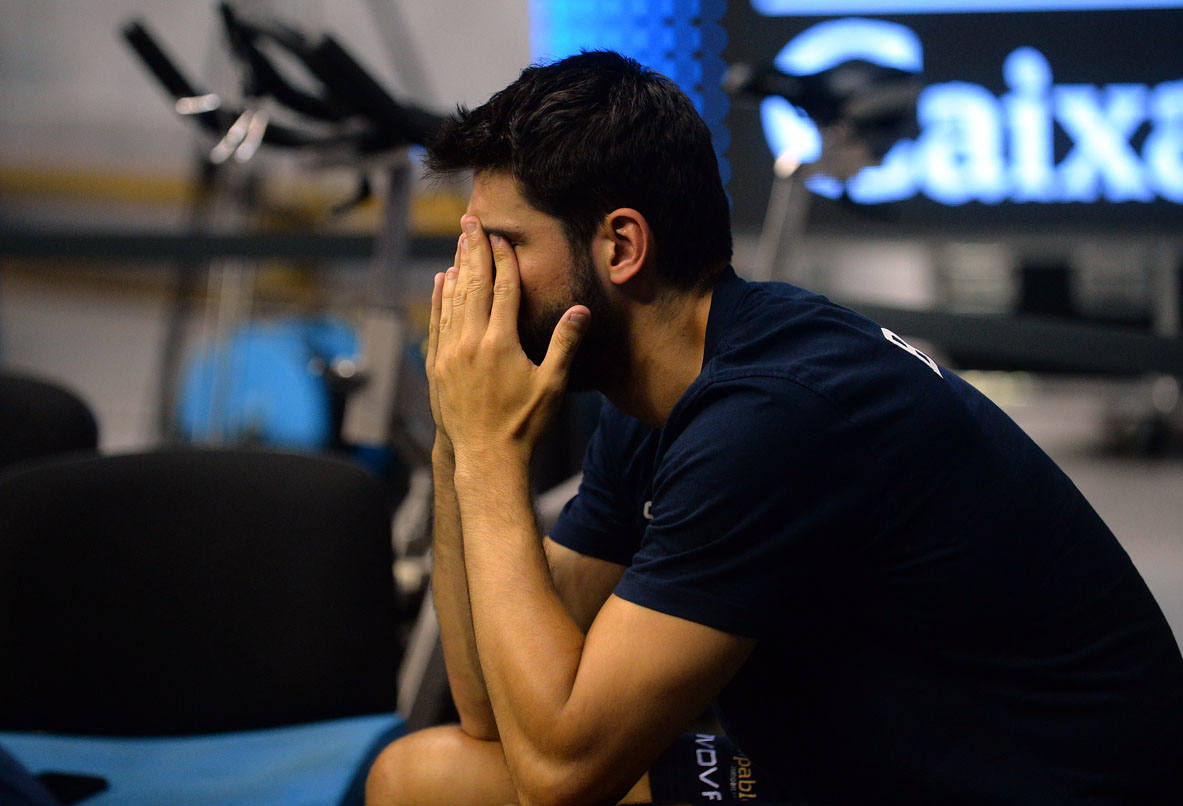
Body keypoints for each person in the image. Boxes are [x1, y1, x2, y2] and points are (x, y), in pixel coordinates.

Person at [365, 51, 1183, 805]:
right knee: (426, 778)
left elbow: (562, 772)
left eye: (500, 247)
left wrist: (487, 449)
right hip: (843, 772)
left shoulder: (773, 416)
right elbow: (489, 706)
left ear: (620, 245)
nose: (469, 281)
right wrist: (454, 441)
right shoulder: (659, 393)